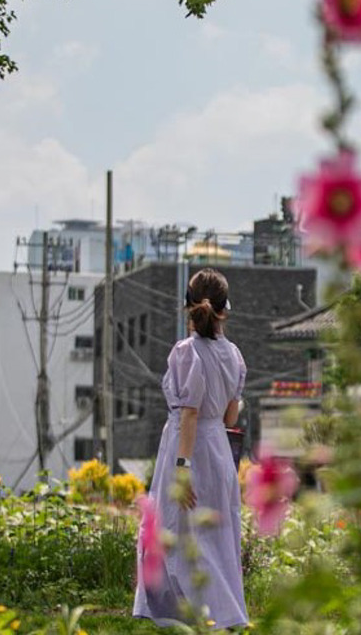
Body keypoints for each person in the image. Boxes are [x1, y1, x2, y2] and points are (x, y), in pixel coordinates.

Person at [134, 268, 249, 630]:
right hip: (218, 449)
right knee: (218, 534)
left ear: (189, 306)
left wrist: (182, 467)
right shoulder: (234, 354)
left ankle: (186, 613)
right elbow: (230, 413)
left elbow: (189, 414)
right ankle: (224, 613)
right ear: (224, 309)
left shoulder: (186, 352)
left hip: (189, 448)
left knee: (178, 530)